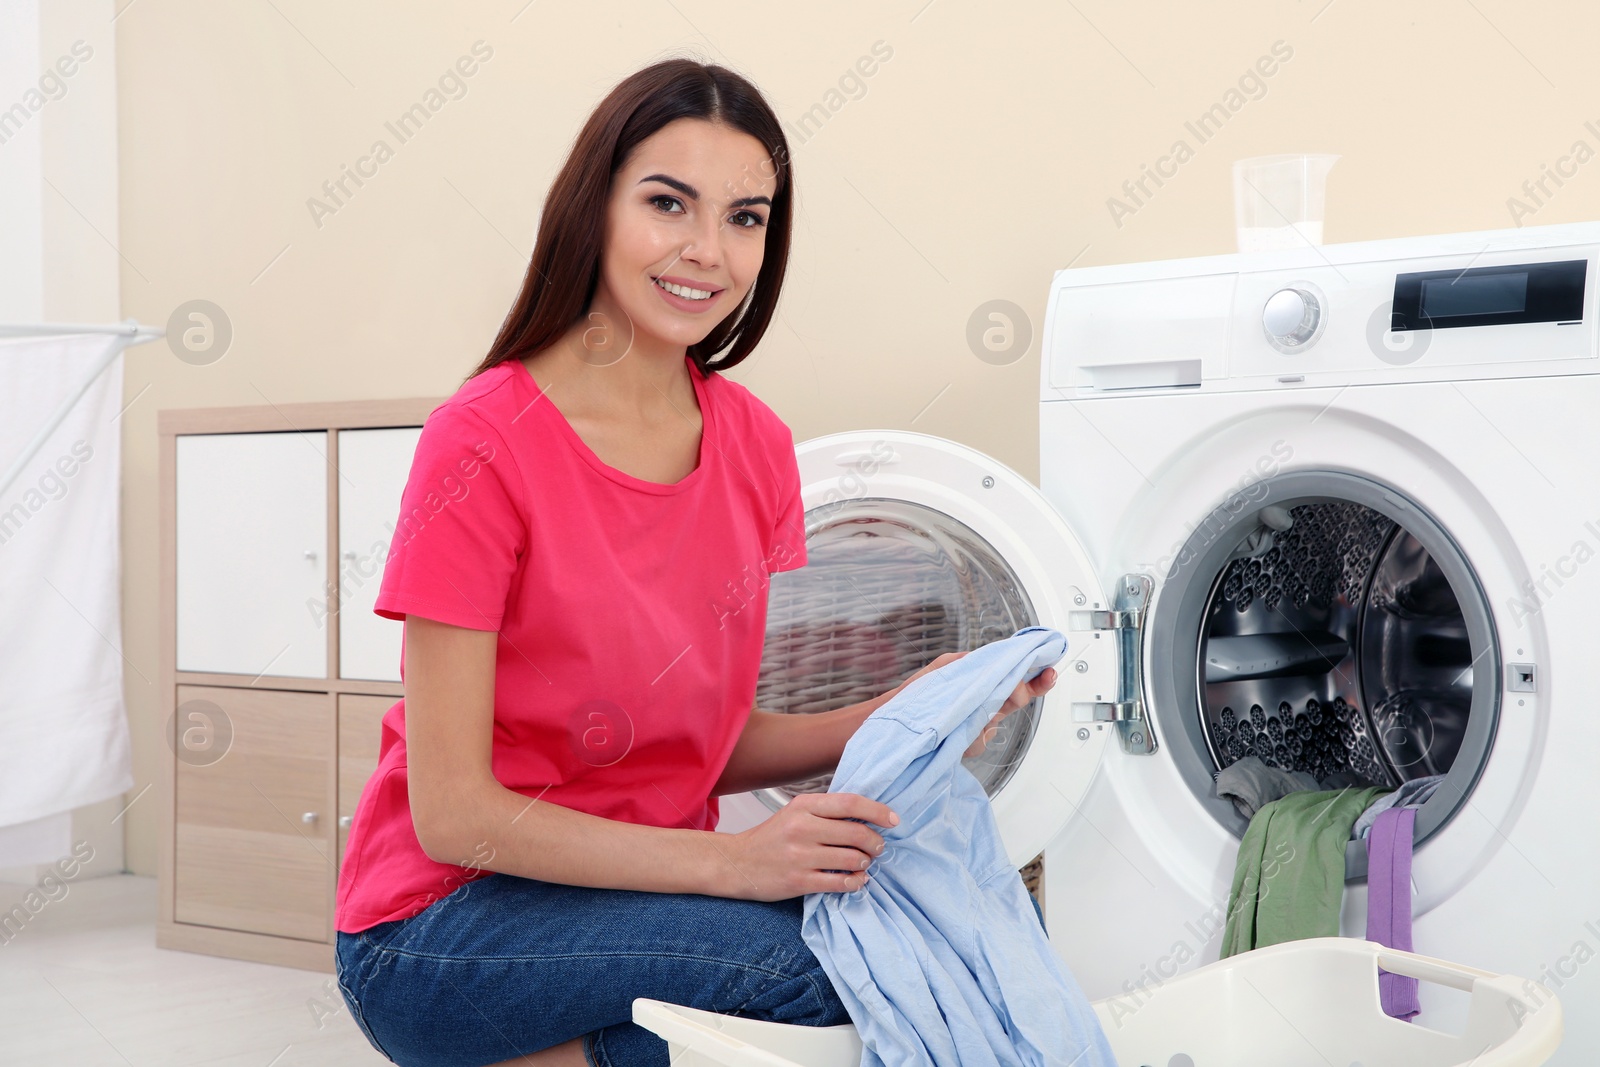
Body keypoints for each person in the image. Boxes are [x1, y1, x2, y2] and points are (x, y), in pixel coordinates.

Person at [332, 57, 1058, 1067]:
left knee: (917, 939)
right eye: (668, 203)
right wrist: (732, 863)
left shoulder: (753, 442)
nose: (705, 251)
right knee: (828, 968)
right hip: (445, 924)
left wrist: (907, 706)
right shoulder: (482, 440)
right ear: (594, 207)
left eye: (745, 217)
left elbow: (699, 744)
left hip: (638, 896)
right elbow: (453, 813)